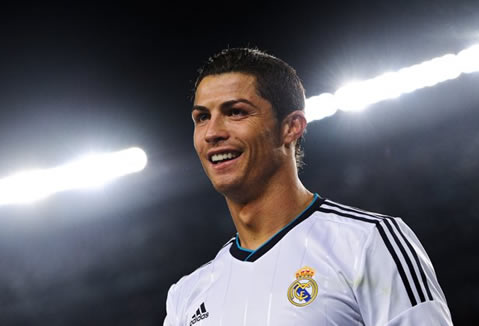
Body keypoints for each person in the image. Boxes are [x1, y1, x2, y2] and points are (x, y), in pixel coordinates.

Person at [163, 47, 452, 325]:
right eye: (202, 117)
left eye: (236, 112)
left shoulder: (369, 243)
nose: (212, 132)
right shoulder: (187, 295)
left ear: (291, 127)